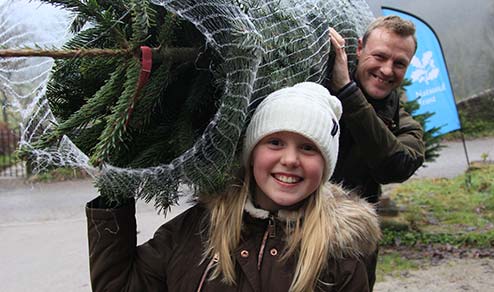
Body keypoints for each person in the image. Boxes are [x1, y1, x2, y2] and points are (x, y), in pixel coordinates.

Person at [86, 82, 381, 292]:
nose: (290, 159)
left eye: (308, 148)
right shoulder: (198, 227)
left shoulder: (341, 255)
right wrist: (114, 194)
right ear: (252, 153)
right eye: (275, 142)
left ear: (326, 165)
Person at [328, 15, 426, 291]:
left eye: (399, 64)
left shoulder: (402, 123)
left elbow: (396, 166)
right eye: (379, 56)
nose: (386, 70)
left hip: (353, 254)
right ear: (359, 49)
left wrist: (348, 92)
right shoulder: (321, 94)